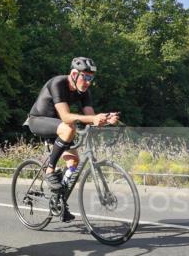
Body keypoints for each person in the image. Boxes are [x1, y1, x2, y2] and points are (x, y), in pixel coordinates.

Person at [25, 57, 119, 223]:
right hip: (39, 120)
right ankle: (49, 169)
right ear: (74, 74)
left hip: (59, 127)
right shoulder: (58, 84)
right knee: (69, 127)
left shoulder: (84, 92)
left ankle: (58, 201)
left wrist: (105, 119)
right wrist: (92, 119)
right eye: (85, 77)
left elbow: (91, 117)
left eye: (91, 78)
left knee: (74, 163)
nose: (88, 81)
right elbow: (66, 117)